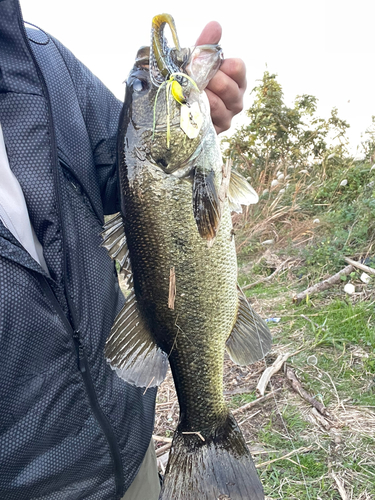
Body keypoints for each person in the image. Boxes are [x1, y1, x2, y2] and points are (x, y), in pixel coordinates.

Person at [0, 0, 247, 498]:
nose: (148, 79)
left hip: (130, 453)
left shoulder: (39, 58)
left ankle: (207, 427)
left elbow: (124, 169)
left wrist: (203, 124)